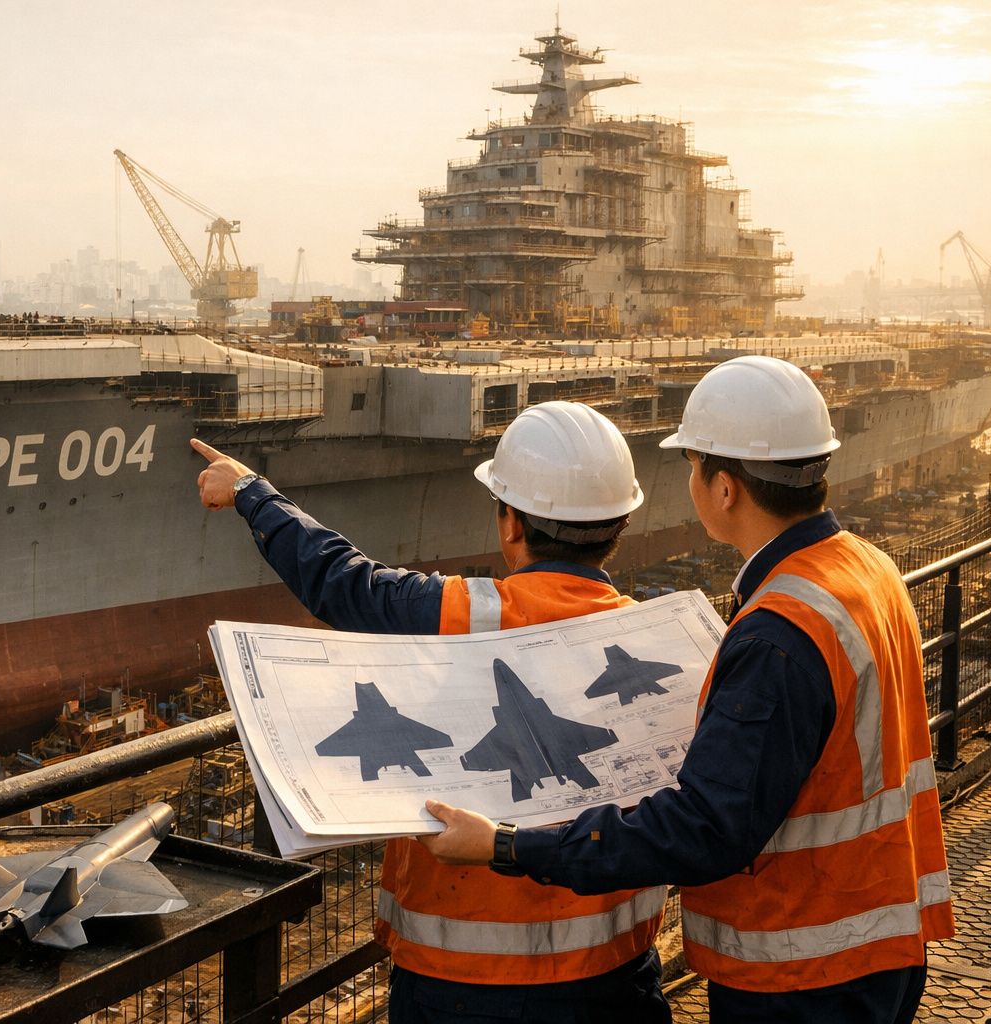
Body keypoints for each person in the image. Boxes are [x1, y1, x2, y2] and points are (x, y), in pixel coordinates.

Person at [419, 356, 954, 1024]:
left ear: (724, 487)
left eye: (693, 464)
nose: (690, 480)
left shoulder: (778, 633)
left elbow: (703, 827)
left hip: (803, 964)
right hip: (882, 936)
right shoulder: (866, 569)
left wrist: (505, 844)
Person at [192, 401, 671, 1024]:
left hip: (457, 986)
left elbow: (342, 582)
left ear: (511, 524)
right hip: (615, 978)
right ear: (621, 523)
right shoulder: (654, 639)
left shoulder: (457, 611)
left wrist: (252, 492)